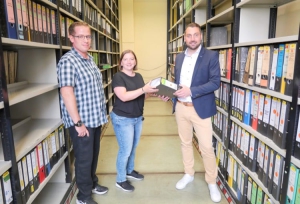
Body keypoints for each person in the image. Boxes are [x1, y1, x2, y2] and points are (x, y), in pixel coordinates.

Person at [57, 22, 108, 204]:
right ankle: (83, 197)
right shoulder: (68, 61)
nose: (86, 40)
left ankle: (92, 183)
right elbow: (67, 93)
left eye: (88, 36)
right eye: (81, 36)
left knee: (93, 155)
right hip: (82, 122)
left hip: (95, 118)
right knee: (84, 160)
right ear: (71, 38)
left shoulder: (89, 59)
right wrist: (78, 123)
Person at [172, 22, 221, 203]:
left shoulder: (210, 56)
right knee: (185, 143)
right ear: (184, 38)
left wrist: (191, 91)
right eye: (189, 35)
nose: (192, 39)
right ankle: (189, 174)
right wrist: (170, 95)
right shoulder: (179, 58)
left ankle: (211, 181)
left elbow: (215, 82)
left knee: (206, 147)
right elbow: (177, 83)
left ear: (201, 37)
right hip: (181, 108)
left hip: (200, 109)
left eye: (196, 35)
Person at [110, 50, 158, 192]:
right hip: (123, 118)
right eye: (126, 59)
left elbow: (141, 96)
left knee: (133, 147)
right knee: (125, 150)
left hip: (137, 117)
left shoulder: (138, 76)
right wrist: (144, 89)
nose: (129, 61)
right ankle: (120, 179)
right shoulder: (118, 77)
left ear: (135, 61)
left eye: (132, 59)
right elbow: (124, 96)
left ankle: (129, 171)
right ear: (121, 62)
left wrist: (154, 93)